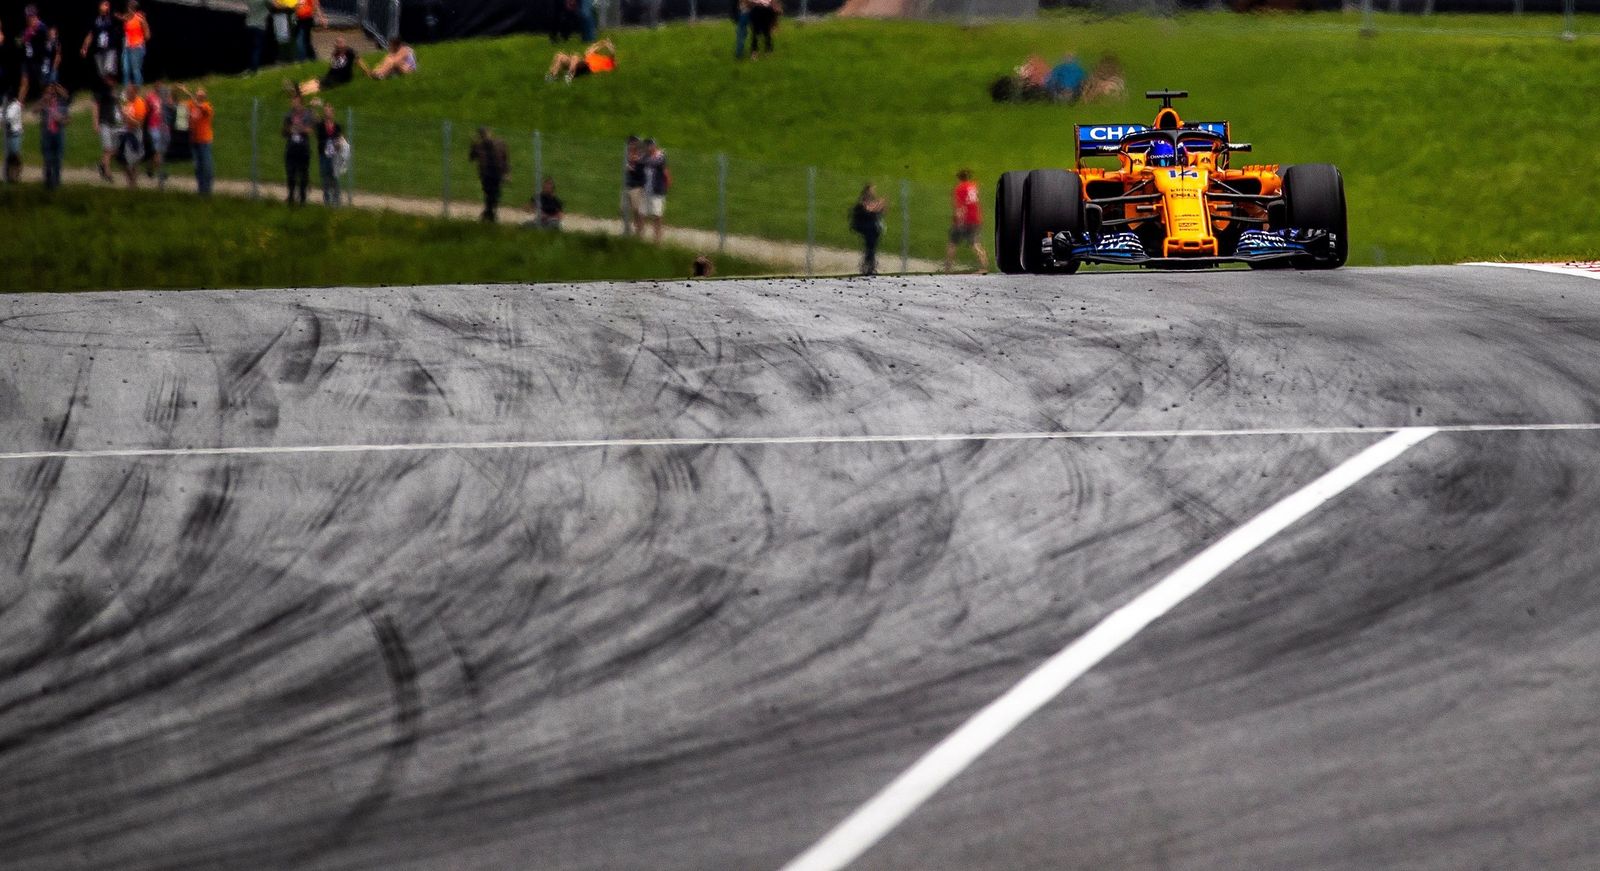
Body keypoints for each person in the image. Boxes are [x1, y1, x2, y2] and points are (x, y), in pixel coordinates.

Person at [944, 169, 989, 273]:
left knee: (952, 243)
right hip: (976, 218)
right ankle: (984, 267)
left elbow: (960, 206)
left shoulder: (959, 188)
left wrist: (958, 220)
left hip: (964, 219)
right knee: (976, 243)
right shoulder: (973, 186)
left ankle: (947, 268)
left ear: (959, 178)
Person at [290, 35, 357, 96]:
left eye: (341, 42)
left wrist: (367, 71)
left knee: (321, 85)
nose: (340, 44)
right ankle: (298, 87)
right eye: (338, 43)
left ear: (344, 43)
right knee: (318, 80)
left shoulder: (349, 52)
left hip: (342, 77)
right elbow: (333, 66)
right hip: (332, 75)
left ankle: (300, 92)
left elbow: (358, 61)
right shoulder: (335, 53)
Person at [468, 126, 510, 222]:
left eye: (485, 133)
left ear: (490, 132)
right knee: (490, 194)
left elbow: (505, 159)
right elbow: (471, 158)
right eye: (482, 134)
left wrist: (507, 173)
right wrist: (473, 145)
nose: (484, 135)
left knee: (495, 194)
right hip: (486, 174)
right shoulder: (479, 146)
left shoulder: (499, 143)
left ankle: (488, 214)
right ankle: (490, 215)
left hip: (497, 173)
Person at [179, 85, 214, 195]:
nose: (199, 96)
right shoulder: (190, 104)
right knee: (198, 166)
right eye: (198, 94)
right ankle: (201, 190)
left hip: (204, 141)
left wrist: (188, 93)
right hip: (193, 140)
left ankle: (207, 191)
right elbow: (180, 107)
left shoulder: (207, 107)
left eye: (201, 94)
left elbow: (201, 107)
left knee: (206, 166)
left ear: (205, 96)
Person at [850, 183, 887, 276]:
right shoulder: (864, 200)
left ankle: (869, 266)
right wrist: (878, 205)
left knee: (871, 248)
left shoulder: (871, 201)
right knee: (870, 247)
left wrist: (881, 205)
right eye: (872, 189)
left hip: (872, 228)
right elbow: (868, 209)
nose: (874, 191)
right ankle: (868, 267)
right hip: (866, 227)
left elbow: (879, 211)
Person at [282, 94, 313, 204]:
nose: (293, 104)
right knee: (291, 173)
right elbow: (284, 131)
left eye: (295, 102)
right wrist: (290, 129)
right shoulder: (289, 115)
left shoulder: (308, 114)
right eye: (292, 101)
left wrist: (299, 128)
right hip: (291, 147)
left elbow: (310, 130)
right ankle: (291, 195)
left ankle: (303, 197)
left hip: (303, 148)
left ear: (301, 102)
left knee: (303, 173)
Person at [38, 84, 69, 190]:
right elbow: (34, 110)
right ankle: (48, 179)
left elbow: (68, 120)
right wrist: (43, 101)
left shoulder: (61, 105)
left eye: (53, 94)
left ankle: (56, 181)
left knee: (58, 158)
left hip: (58, 133)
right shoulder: (44, 105)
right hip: (46, 133)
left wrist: (61, 119)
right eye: (48, 93)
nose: (51, 96)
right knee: (47, 158)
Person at [639, 137, 669, 244]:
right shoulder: (646, 156)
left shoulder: (660, 157)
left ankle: (657, 240)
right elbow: (641, 161)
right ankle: (640, 237)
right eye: (646, 145)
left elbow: (657, 163)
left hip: (657, 191)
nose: (647, 147)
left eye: (649, 145)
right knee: (641, 213)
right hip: (646, 190)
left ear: (653, 146)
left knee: (657, 215)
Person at [83, 2, 122, 82]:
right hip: (99, 50)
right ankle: (110, 91)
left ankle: (115, 91)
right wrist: (85, 47)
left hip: (110, 48)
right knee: (102, 74)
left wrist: (133, 14)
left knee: (109, 71)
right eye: (105, 5)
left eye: (108, 5)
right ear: (100, 6)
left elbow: (122, 19)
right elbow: (90, 35)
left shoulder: (112, 17)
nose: (107, 7)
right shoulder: (95, 20)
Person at [546, 38, 616, 83]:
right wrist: (601, 43)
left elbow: (612, 54)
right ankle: (552, 76)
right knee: (560, 55)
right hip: (579, 64)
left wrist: (609, 45)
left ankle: (569, 75)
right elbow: (591, 49)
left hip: (588, 68)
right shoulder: (592, 55)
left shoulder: (609, 61)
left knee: (575, 56)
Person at [92, 75, 121, 182]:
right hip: (104, 122)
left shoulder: (115, 92)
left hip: (113, 122)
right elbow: (96, 106)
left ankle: (102, 164)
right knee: (108, 148)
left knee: (116, 149)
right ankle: (107, 172)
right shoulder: (102, 92)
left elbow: (118, 105)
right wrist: (95, 122)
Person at [314, 103, 344, 205]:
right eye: (326, 110)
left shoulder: (337, 126)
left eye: (329, 110)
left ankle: (336, 199)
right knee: (325, 177)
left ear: (333, 113)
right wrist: (314, 107)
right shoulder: (321, 125)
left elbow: (340, 139)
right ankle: (327, 199)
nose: (328, 113)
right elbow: (315, 120)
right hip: (324, 154)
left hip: (334, 155)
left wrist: (338, 145)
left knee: (334, 177)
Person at [118, 84, 148, 187]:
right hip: (125, 131)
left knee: (133, 160)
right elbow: (122, 118)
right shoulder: (127, 102)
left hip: (135, 133)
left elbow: (139, 123)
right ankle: (131, 182)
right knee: (123, 159)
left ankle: (133, 183)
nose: (127, 93)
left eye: (129, 92)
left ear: (135, 92)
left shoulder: (139, 103)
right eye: (127, 91)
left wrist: (127, 117)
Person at [17, 7, 48, 103]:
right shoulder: (25, 30)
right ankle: (18, 107)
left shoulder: (41, 27)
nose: (29, 19)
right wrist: (24, 38)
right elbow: (18, 42)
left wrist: (33, 31)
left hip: (39, 61)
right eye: (27, 17)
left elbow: (44, 35)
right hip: (27, 61)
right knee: (24, 83)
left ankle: (50, 105)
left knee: (43, 84)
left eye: (31, 16)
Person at [144, 84, 171, 185]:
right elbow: (146, 111)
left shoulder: (166, 97)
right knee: (158, 150)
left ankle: (150, 166)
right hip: (154, 126)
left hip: (165, 127)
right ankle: (161, 173)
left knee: (161, 151)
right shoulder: (150, 97)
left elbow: (171, 108)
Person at [120, 1, 152, 86]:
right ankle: (126, 90)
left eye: (130, 8)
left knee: (135, 69)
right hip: (127, 47)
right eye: (128, 7)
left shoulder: (140, 18)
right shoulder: (126, 19)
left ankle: (138, 88)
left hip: (137, 47)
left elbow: (147, 35)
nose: (128, 9)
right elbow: (126, 31)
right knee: (125, 69)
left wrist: (140, 43)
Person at [623, 134, 644, 235]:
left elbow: (642, 173)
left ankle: (639, 232)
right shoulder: (627, 156)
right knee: (623, 209)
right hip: (627, 186)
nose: (631, 145)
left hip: (637, 187)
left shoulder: (641, 157)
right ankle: (627, 230)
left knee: (637, 211)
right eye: (630, 143)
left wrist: (632, 168)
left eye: (633, 142)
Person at [244, 0, 271, 75]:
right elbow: (275, 5)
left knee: (251, 48)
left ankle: (250, 67)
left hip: (249, 24)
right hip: (260, 25)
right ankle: (254, 69)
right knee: (257, 48)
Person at [3, 95, 23, 184]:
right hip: (8, 133)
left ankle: (16, 174)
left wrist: (3, 116)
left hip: (15, 133)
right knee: (8, 155)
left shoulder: (16, 105)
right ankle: (8, 176)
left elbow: (9, 117)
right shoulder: (4, 105)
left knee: (15, 154)